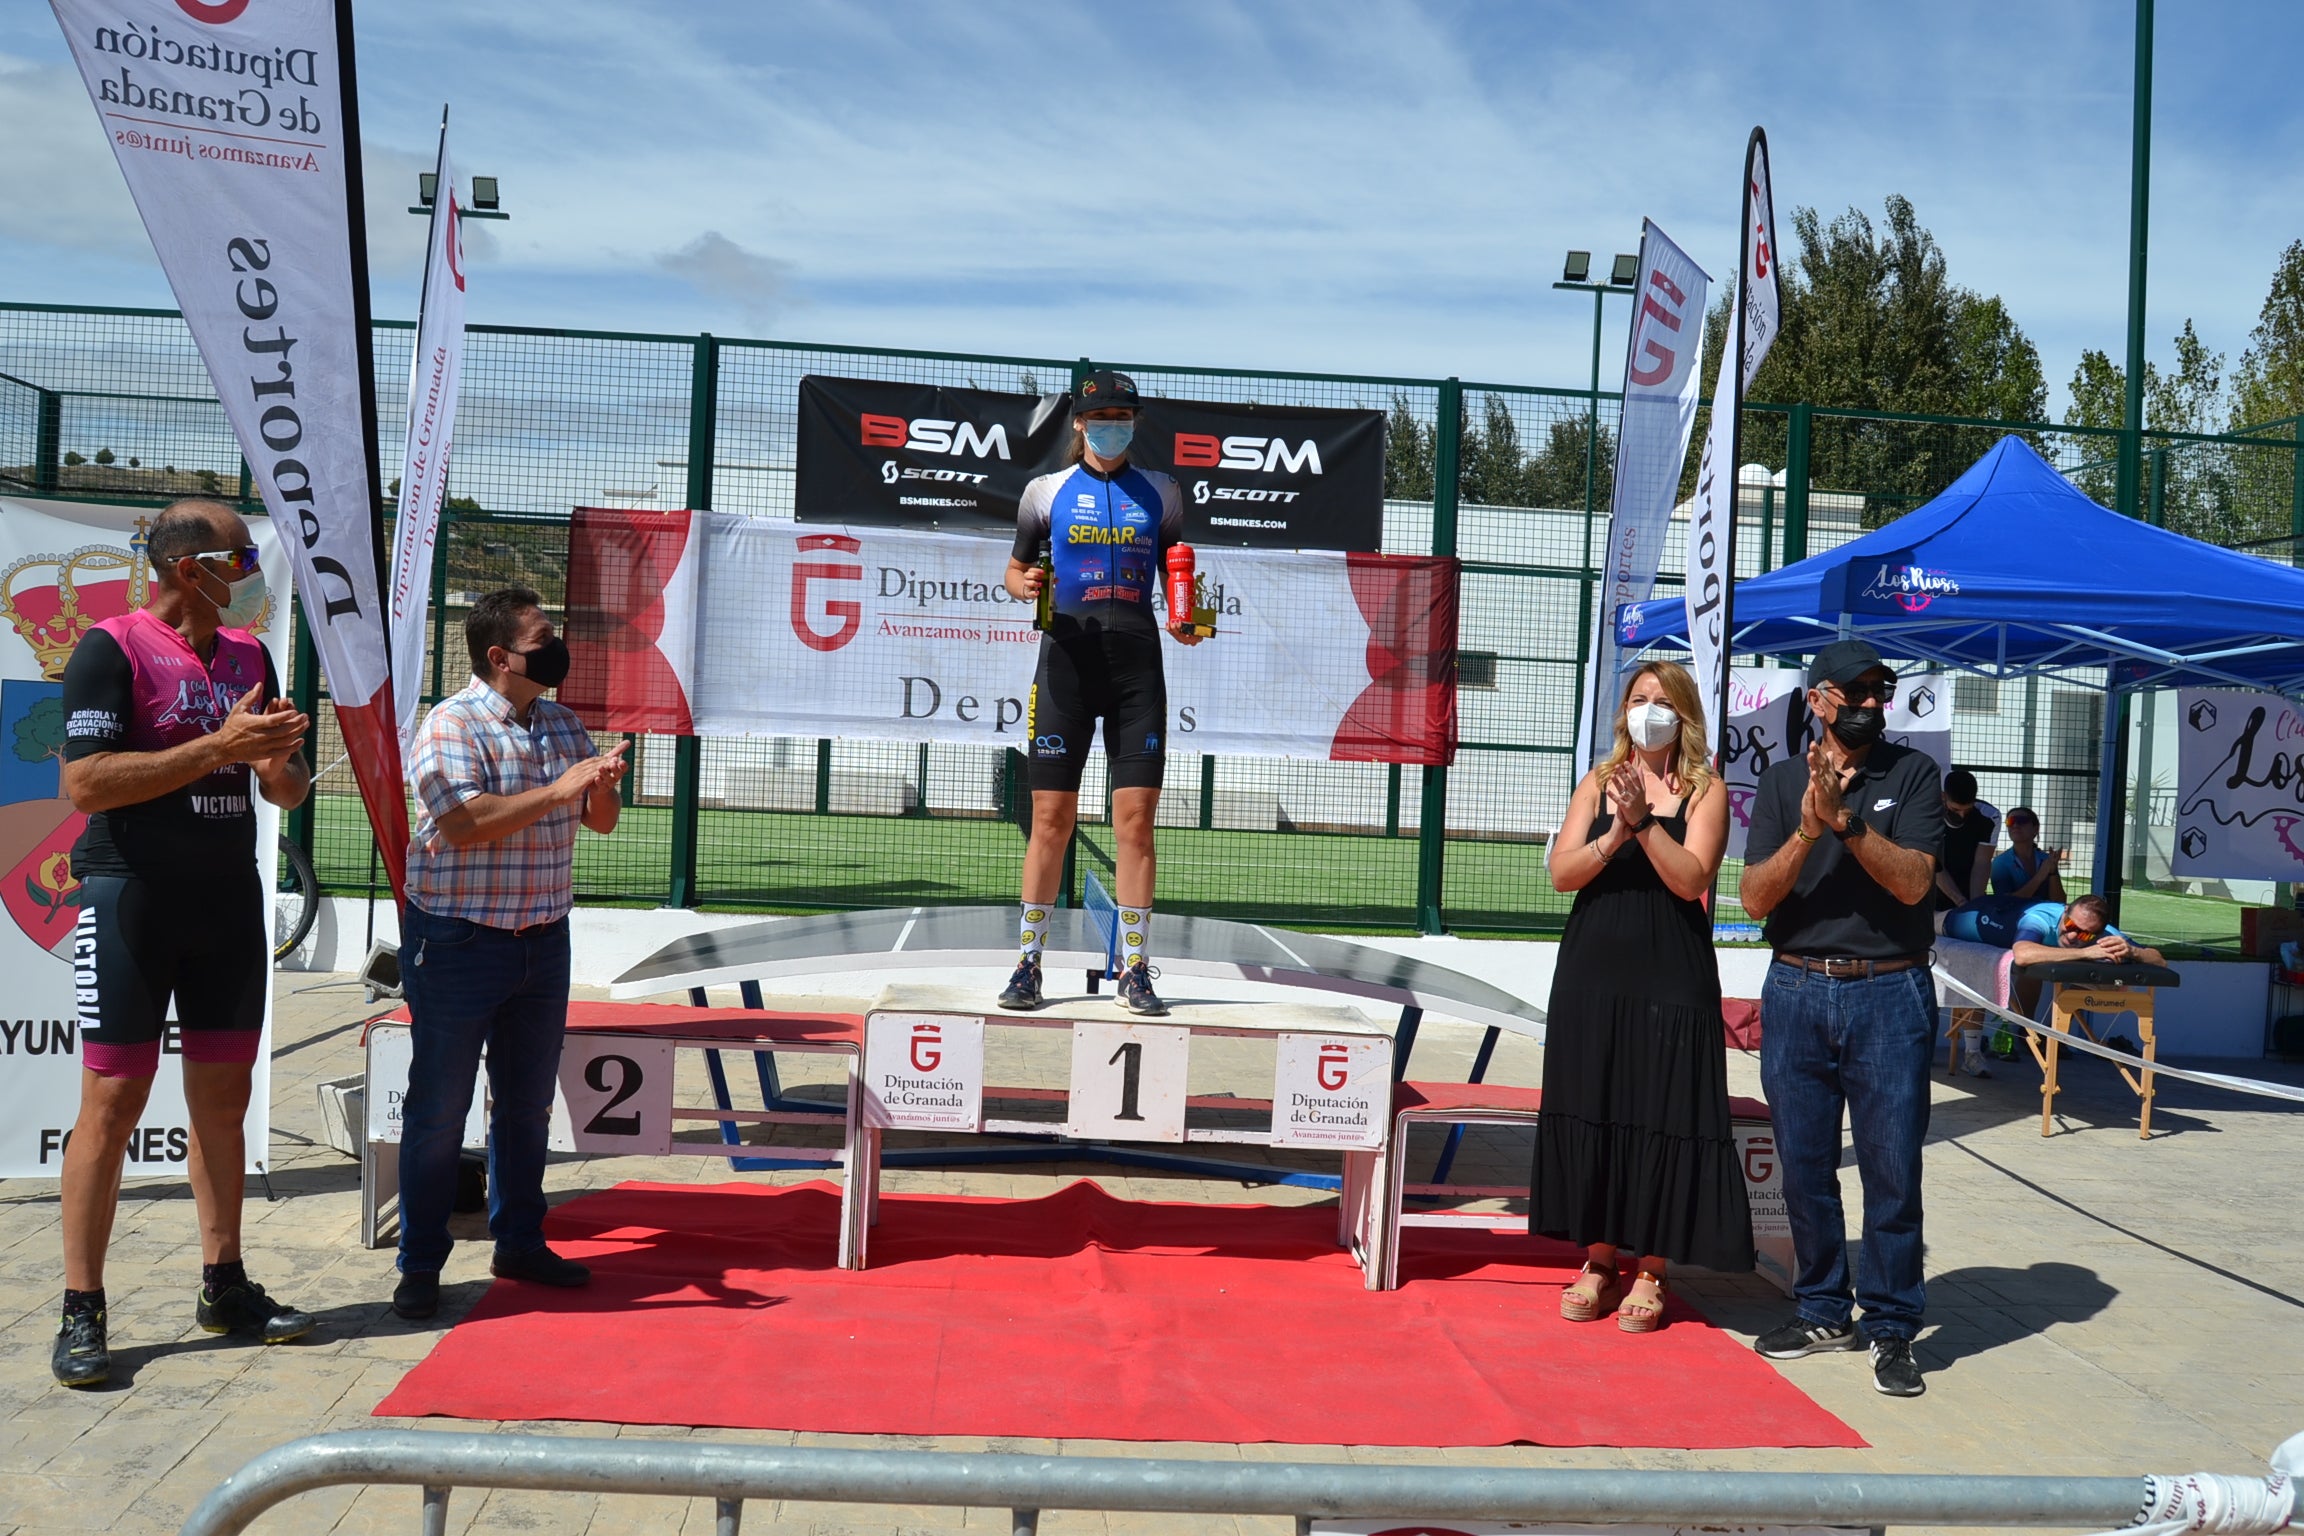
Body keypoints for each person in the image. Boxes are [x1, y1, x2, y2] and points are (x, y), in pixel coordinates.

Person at [52, 499, 314, 1387]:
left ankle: (223, 1283)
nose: (255, 572)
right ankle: (82, 1308)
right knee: (114, 1104)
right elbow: (85, 784)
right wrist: (218, 746)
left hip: (226, 901)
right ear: (190, 570)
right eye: (242, 557)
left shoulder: (249, 654)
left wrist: (273, 762)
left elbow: (286, 792)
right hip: (134, 899)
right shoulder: (110, 648)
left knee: (222, 1102)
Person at [390, 588, 629, 1321]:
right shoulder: (449, 724)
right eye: (542, 638)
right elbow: (463, 824)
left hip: (542, 941)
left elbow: (604, 824)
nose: (555, 649)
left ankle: (519, 1241)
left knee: (525, 1109)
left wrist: (600, 787)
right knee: (438, 1111)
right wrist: (563, 788)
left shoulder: (560, 722)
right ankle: (420, 1264)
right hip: (460, 942)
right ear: (499, 657)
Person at [1737, 639, 1942, 1399]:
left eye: (1879, 692)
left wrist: (1849, 824)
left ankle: (1892, 1326)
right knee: (1806, 1166)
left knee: (1893, 1169)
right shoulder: (1783, 779)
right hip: (1796, 990)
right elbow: (1755, 898)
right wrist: (1809, 827)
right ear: (1817, 698)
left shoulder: (1912, 773)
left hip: (1889, 994)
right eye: (1852, 692)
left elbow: (1917, 883)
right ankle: (1824, 1308)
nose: (1868, 705)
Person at [1535, 661, 1750, 1333]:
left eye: (1660, 701)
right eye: (1638, 699)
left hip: (1671, 974)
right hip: (1594, 971)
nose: (1647, 710)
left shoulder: (1706, 790)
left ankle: (1652, 1269)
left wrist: (1647, 823)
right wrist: (1614, 830)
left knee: (1663, 1111)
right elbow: (1562, 874)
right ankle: (1599, 1261)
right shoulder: (1597, 783)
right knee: (1597, 1102)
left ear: (1683, 714)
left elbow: (1692, 880)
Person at [999, 370, 1203, 1016]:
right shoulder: (1046, 491)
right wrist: (1021, 584)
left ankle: (1137, 969)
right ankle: (1028, 963)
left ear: (1135, 422)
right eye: (1103, 415)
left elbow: (1179, 572)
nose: (1115, 424)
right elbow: (1015, 566)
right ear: (1080, 423)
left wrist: (1187, 617)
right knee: (1051, 822)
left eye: (1126, 415)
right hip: (1064, 665)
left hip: (1137, 670)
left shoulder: (1164, 492)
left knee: (1136, 826)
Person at [1943, 892, 2163, 1019]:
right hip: (1965, 918)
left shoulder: (2107, 935)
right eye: (2070, 925)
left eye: (2086, 934)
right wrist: (2087, 952)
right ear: (2064, 911)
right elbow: (2022, 954)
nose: (2074, 935)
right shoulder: (2039, 918)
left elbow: (2160, 961)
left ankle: (2043, 1034)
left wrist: (2134, 952)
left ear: (2099, 931)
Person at [1933, 769, 1997, 913]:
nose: (1961, 816)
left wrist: (1974, 904)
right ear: (1943, 797)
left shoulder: (1989, 817)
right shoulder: (1927, 813)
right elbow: (1932, 864)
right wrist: (1960, 901)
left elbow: (1982, 862)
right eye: (1955, 810)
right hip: (1929, 893)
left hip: (1966, 886)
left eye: (1967, 810)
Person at [1990, 806, 2067, 903]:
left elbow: (2059, 902)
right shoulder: (2000, 863)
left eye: (2021, 820)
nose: (2015, 825)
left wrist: (2053, 872)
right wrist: (2040, 876)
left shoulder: (2046, 859)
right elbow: (2005, 903)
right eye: (2010, 821)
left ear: (2036, 828)